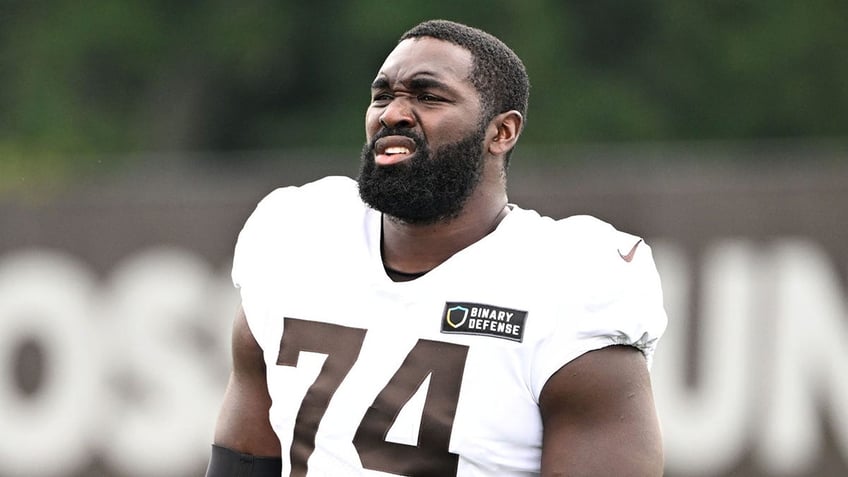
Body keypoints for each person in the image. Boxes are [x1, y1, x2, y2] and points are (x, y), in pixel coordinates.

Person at [206, 19, 667, 477]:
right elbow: (244, 456)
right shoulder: (298, 233)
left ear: (502, 132)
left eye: (428, 97)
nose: (393, 114)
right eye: (383, 95)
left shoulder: (569, 281)